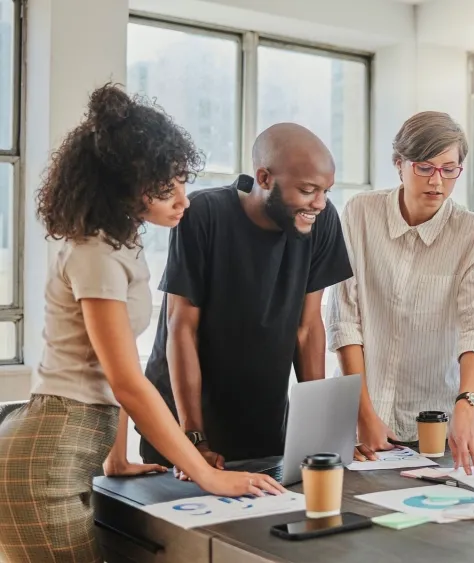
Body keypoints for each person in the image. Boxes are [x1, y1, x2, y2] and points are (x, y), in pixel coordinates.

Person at [0, 84, 283, 563]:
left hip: (66, 454)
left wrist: (118, 457)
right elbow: (127, 382)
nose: (182, 200)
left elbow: (113, 364)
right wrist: (207, 474)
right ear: (122, 187)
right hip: (44, 465)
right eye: (164, 188)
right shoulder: (95, 254)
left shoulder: (116, 248)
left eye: (180, 182)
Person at [138, 122, 353, 472]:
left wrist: (318, 436)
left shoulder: (322, 221)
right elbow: (181, 328)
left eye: (326, 191)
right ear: (264, 178)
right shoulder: (203, 215)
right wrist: (193, 438)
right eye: (308, 190)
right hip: (183, 424)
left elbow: (308, 328)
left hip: (263, 425)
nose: (320, 203)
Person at [327, 111, 474, 476]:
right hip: (359, 422)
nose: (437, 181)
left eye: (449, 169)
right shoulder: (360, 214)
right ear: (399, 164)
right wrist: (365, 414)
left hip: (431, 424)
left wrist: (467, 405)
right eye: (425, 167)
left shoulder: (471, 234)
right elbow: (345, 320)